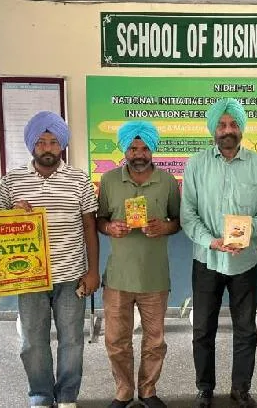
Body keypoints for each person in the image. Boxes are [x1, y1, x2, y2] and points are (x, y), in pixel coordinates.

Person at [0, 111, 99, 408]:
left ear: (62, 145)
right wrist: (12, 213)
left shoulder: (79, 179)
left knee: (72, 340)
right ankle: (40, 395)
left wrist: (93, 271)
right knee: (32, 341)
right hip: (29, 277)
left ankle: (67, 396)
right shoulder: (11, 181)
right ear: (32, 145)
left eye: (53, 142)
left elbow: (90, 227)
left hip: (71, 274)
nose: (47, 148)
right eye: (41, 142)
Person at [180, 98, 257, 408]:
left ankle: (241, 388)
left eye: (234, 124)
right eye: (221, 125)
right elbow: (188, 214)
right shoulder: (196, 164)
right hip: (207, 258)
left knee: (246, 329)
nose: (227, 130)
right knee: (202, 328)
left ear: (242, 128)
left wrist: (246, 235)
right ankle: (204, 388)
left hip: (244, 261)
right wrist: (212, 241)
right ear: (213, 129)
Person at [96, 121, 181, 408]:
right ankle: (123, 391)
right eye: (133, 148)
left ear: (152, 149)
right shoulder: (109, 181)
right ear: (125, 150)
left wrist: (163, 227)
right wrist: (110, 228)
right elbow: (99, 220)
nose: (139, 154)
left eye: (145, 148)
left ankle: (147, 391)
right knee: (116, 340)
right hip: (118, 277)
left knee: (154, 341)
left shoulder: (167, 182)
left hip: (154, 277)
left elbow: (178, 222)